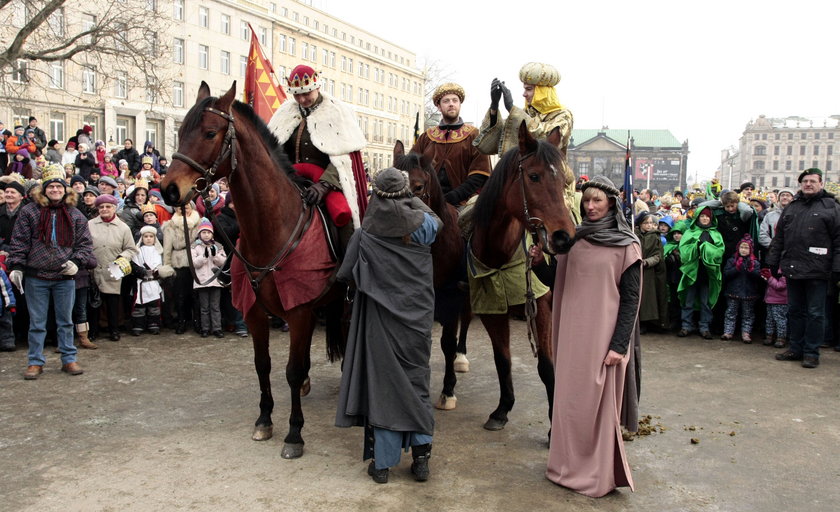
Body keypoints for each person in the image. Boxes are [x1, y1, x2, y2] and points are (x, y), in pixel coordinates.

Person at [335, 167, 441, 485]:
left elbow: (345, 275)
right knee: (417, 384)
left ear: (376, 196)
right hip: (418, 319)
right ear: (407, 193)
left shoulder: (364, 235)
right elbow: (435, 218)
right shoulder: (427, 226)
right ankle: (421, 459)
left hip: (381, 322)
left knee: (385, 389)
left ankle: (382, 464)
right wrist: (411, 200)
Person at [545, 175, 640, 497]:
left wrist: (619, 345)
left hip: (603, 339)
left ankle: (596, 474)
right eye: (586, 201)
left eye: (597, 200)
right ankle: (564, 467)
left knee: (596, 409)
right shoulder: (574, 239)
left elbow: (631, 300)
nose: (590, 206)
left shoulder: (627, 245)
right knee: (569, 404)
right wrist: (536, 264)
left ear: (611, 203)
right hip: (570, 336)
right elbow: (558, 280)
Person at [7, 164, 95, 379]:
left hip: (64, 277)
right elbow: (19, 241)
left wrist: (76, 261)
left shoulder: (75, 214)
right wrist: (17, 265)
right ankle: (35, 361)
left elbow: (85, 244)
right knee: (37, 323)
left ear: (65, 189)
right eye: (51, 187)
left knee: (65, 321)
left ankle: (69, 358)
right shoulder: (29, 211)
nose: (55, 190)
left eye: (59, 186)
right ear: (44, 189)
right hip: (36, 276)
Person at [267, 64, 368, 232]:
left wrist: (323, 185)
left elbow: (344, 159)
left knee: (345, 220)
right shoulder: (284, 112)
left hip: (325, 185)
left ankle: (350, 257)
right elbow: (274, 152)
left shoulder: (337, 112)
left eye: (306, 94)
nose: (302, 100)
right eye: (297, 95)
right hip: (289, 182)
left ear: (317, 88)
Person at [474, 62, 578, 223]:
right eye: (524, 89)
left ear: (543, 92)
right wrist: (494, 107)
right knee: (472, 213)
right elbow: (489, 145)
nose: (524, 94)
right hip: (517, 179)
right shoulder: (522, 114)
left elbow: (545, 141)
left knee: (562, 221)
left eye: (529, 89)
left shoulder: (563, 115)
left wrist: (513, 109)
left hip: (550, 182)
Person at [768, 168, 840, 369]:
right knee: (795, 311)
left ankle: (811, 352)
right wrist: (773, 261)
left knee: (816, 313)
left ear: (821, 183)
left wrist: (836, 268)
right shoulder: (793, 207)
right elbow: (780, 237)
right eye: (805, 181)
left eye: (812, 181)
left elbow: (838, 241)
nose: (808, 184)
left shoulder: (831, 207)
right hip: (794, 268)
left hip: (818, 270)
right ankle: (796, 348)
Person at [410, 82, 492, 206]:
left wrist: (455, 196)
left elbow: (480, 174)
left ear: (460, 104)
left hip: (463, 202)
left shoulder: (473, 135)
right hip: (427, 202)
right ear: (439, 106)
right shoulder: (426, 137)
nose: (451, 104)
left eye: (455, 100)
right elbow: (411, 167)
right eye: (446, 101)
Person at [88, 193, 137, 341]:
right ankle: (93, 331)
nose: (104, 209)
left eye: (108, 206)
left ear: (114, 208)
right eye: (101, 207)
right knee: (94, 303)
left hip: (113, 268)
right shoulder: (90, 224)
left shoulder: (123, 228)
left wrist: (123, 258)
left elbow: (131, 249)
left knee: (113, 302)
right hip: (94, 268)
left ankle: (114, 330)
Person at [677, 206, 725, 339]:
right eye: (702, 216)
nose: (704, 218)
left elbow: (719, 252)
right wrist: (695, 247)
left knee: (705, 302)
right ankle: (686, 326)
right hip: (692, 272)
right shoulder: (690, 232)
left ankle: (704, 327)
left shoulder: (715, 234)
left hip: (707, 274)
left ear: (711, 218)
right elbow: (684, 250)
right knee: (688, 300)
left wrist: (706, 248)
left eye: (707, 216)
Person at [161, 201, 200, 334]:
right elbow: (167, 248)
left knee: (196, 294)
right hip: (178, 261)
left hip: (196, 262)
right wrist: (167, 266)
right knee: (180, 295)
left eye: (186, 207)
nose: (183, 210)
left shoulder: (199, 222)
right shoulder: (170, 225)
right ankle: (182, 321)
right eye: (179, 208)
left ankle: (197, 321)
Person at [721, 235, 761, 343]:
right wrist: (736, 268)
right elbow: (726, 274)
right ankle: (728, 332)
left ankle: (746, 333)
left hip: (749, 293)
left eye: (746, 248)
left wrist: (750, 269)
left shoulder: (755, 263)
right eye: (742, 247)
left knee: (748, 314)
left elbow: (758, 277)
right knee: (731, 313)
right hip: (733, 292)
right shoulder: (732, 260)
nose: (743, 250)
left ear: (751, 249)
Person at [191, 219, 226, 338]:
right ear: (199, 234)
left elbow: (222, 262)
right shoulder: (195, 246)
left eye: (208, 232)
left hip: (215, 280)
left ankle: (217, 328)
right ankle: (205, 328)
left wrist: (215, 255)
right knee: (204, 307)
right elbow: (194, 263)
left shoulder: (218, 246)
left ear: (212, 234)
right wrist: (204, 257)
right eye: (203, 232)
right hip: (202, 281)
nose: (206, 235)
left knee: (215, 306)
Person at [635, 211, 667, 332]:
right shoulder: (635, 236)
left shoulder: (655, 237)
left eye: (651, 223)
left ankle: (649, 322)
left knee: (649, 299)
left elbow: (657, 255)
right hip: (636, 270)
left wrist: (646, 262)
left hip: (650, 272)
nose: (649, 225)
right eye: (646, 223)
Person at [130, 226, 164, 336]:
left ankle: (154, 324)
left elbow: (161, 265)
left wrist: (158, 272)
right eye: (146, 236)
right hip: (141, 282)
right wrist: (141, 271)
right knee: (139, 306)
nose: (148, 238)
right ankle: (138, 325)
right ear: (142, 238)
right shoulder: (137, 251)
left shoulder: (159, 251)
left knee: (154, 305)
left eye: (151, 236)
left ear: (155, 238)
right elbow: (134, 265)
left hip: (154, 282)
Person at [760, 266, 788, 348]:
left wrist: (769, 277)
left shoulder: (784, 271)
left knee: (780, 320)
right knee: (769, 319)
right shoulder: (772, 268)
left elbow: (780, 286)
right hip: (769, 299)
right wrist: (764, 275)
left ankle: (781, 337)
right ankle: (769, 336)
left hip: (780, 301)